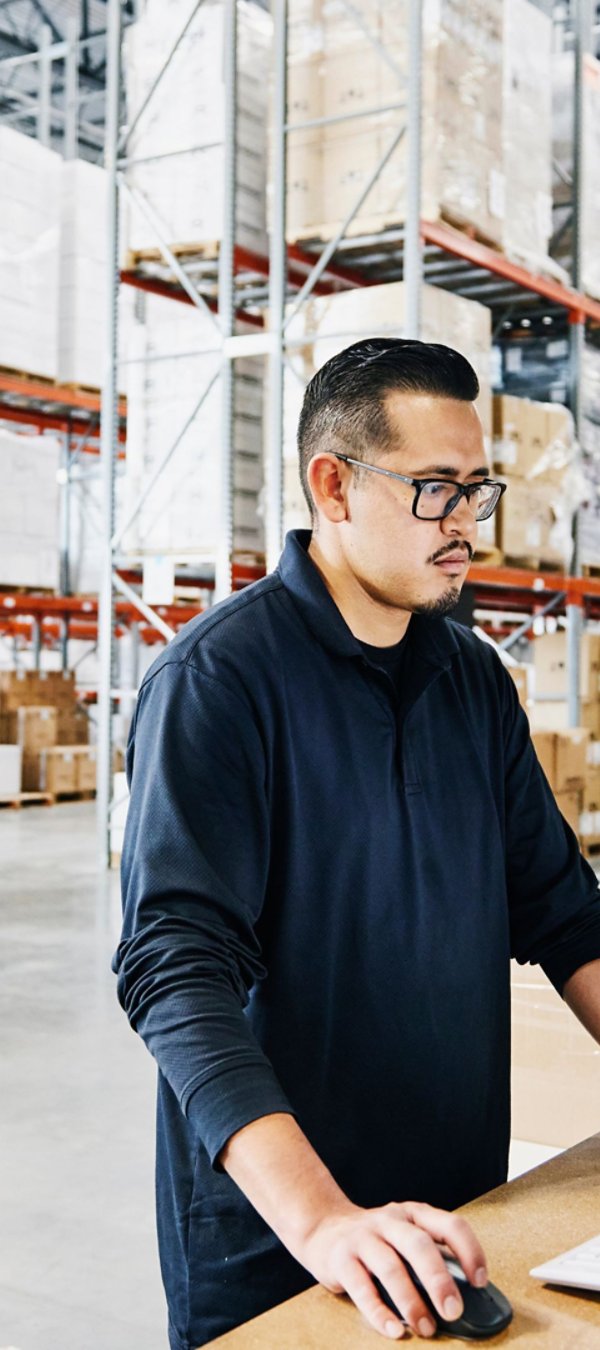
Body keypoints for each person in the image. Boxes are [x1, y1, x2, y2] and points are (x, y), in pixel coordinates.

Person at [113, 338, 600, 1350]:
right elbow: (175, 973)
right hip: (285, 1244)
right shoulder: (218, 685)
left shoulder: (472, 684)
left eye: (479, 489)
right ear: (332, 485)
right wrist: (323, 1221)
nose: (467, 523)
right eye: (435, 490)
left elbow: (564, 910)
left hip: (460, 1222)